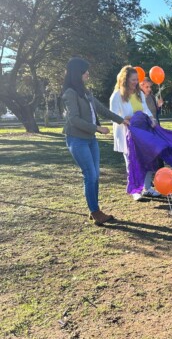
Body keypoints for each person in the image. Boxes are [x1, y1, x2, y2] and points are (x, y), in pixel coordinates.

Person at [61, 57, 129, 225]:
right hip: (77, 140)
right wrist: (97, 128)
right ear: (78, 73)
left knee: (95, 175)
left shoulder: (86, 92)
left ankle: (94, 210)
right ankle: (95, 211)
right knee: (90, 175)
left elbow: (102, 109)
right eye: (85, 71)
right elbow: (74, 120)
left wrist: (122, 120)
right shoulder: (70, 93)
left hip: (90, 140)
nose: (88, 74)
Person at [110, 65, 159, 200]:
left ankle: (147, 188)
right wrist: (124, 119)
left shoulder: (139, 93)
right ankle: (135, 190)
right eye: (133, 80)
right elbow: (113, 116)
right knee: (132, 162)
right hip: (128, 134)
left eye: (137, 79)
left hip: (143, 132)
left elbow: (145, 110)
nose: (135, 82)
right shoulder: (116, 96)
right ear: (124, 80)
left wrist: (151, 118)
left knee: (148, 158)